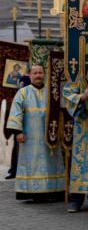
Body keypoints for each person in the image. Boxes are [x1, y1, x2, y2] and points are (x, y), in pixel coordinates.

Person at [6, 65, 64, 202]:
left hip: (50, 137)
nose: (38, 75)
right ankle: (34, 193)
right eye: (35, 73)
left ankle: (54, 191)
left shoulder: (52, 93)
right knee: (32, 165)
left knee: (51, 164)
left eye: (40, 73)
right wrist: (18, 132)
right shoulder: (23, 93)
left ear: (44, 74)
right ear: (30, 75)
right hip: (30, 137)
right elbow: (15, 113)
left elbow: (61, 112)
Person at [62, 82, 88, 212]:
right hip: (82, 126)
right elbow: (67, 93)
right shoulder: (77, 72)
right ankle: (76, 199)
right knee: (80, 160)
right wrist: (82, 97)